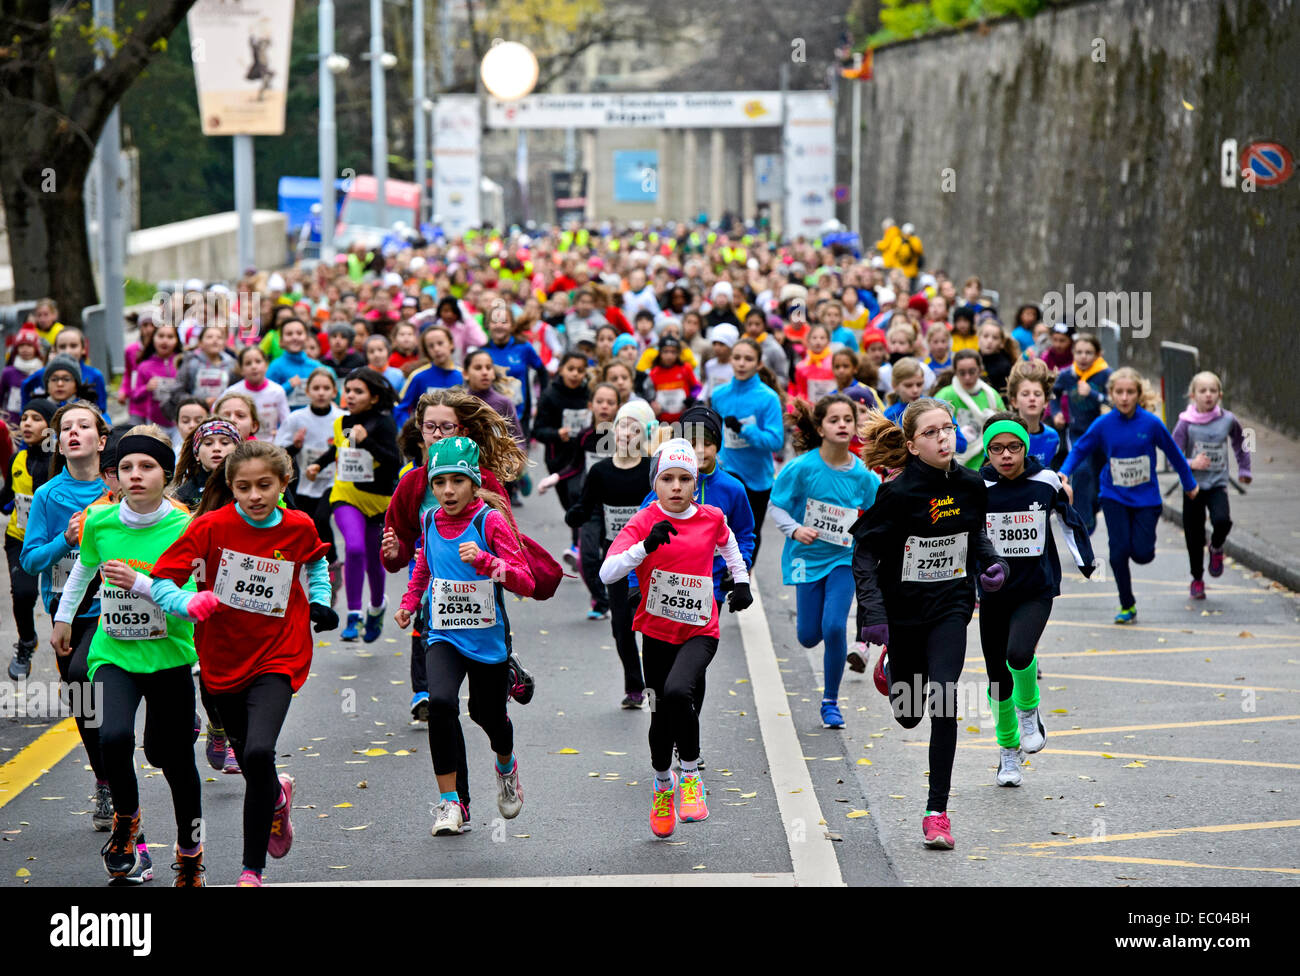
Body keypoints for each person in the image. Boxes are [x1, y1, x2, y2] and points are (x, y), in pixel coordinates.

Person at [122, 441, 336, 886]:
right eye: (244, 487)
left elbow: (316, 564)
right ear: (231, 487)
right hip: (222, 659)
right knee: (252, 761)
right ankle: (276, 795)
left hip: (280, 652)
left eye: (265, 486)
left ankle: (250, 872)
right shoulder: (211, 526)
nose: (255, 496)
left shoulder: (297, 526)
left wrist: (319, 601)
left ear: (283, 483)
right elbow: (161, 580)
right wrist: (187, 601)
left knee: (259, 752)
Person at [851, 399, 1009, 850]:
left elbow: (975, 532)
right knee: (907, 714)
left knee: (943, 700)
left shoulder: (971, 484)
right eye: (932, 432)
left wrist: (992, 563)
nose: (944, 438)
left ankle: (936, 812)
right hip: (902, 613)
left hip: (951, 607)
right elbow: (863, 553)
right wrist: (875, 615)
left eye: (949, 428)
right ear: (912, 445)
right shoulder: (898, 494)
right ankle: (891, 666)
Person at [52, 426, 206, 885]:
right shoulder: (99, 521)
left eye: (147, 467)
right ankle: (128, 823)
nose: (135, 476)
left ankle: (190, 852)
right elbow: (84, 568)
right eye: (125, 468)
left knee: (173, 759)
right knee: (114, 737)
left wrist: (145, 586)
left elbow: (192, 599)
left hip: (169, 656)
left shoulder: (186, 527)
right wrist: (64, 618)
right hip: (113, 652)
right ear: (114, 476)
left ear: (166, 475)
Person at [599, 439, 753, 838]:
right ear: (656, 482)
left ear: (695, 482)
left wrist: (741, 581)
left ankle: (690, 775)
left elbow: (730, 546)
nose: (676, 486)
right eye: (667, 478)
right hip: (656, 631)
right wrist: (644, 547)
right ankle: (662, 784)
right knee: (661, 713)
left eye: (685, 479)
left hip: (701, 629)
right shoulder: (644, 519)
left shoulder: (711, 516)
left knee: (679, 691)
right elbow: (607, 573)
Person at [394, 436, 534, 836]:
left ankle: (506, 766)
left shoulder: (489, 521)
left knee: (486, 714)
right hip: (442, 633)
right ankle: (451, 803)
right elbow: (425, 564)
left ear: (474, 483)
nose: (448, 491)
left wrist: (488, 561)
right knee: (440, 703)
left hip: (487, 639)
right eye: (439, 483)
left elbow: (524, 580)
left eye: (457, 481)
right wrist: (409, 601)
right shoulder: (428, 520)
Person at [979, 413, 1094, 787]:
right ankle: (1008, 754)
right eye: (997, 449)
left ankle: (1029, 710)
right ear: (988, 452)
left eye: (1013, 447)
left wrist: (1086, 561)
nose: (1006, 455)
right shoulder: (977, 485)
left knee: (1018, 654)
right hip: (993, 594)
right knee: (997, 679)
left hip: (1035, 590)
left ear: (1024, 448)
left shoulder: (1045, 481)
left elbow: (1069, 518)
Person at [21, 400, 112, 828]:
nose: (73, 433)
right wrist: (66, 537)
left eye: (83, 426)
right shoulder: (46, 495)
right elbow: (30, 560)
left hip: (111, 608)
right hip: (65, 610)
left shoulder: (116, 489)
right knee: (80, 695)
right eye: (66, 428)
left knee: (81, 675)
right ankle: (105, 779)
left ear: (102, 439)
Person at [770, 395, 879, 729]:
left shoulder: (863, 475)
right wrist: (795, 529)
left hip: (843, 559)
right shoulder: (802, 468)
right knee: (807, 636)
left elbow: (879, 513)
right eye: (834, 420)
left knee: (834, 626)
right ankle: (818, 654)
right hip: (806, 557)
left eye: (848, 419)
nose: (843, 424)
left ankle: (830, 701)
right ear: (819, 428)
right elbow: (777, 506)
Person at [1059, 368, 1198, 623]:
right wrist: (1065, 471)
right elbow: (1080, 448)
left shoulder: (1151, 423)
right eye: (1119, 392)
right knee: (1118, 552)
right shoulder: (1103, 424)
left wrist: (1189, 483)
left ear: (1138, 394)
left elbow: (1174, 454)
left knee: (1143, 554)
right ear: (1111, 394)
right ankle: (1127, 604)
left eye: (1130, 392)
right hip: (1114, 496)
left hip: (1146, 498)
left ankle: (1141, 553)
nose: (1124, 398)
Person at [566, 400, 657, 706]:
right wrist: (576, 515)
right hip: (616, 559)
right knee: (621, 626)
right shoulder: (601, 471)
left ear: (644, 434)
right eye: (621, 426)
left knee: (652, 624)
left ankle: (657, 682)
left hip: (651, 561)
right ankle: (634, 685)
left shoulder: (651, 471)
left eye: (634, 428)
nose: (625, 433)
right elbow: (587, 504)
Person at [305, 368, 400, 642]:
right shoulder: (343, 421)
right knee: (355, 548)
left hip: (378, 499)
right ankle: (354, 615)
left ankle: (377, 606)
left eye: (359, 391)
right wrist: (318, 464)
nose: (351, 395)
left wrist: (367, 440)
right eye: (348, 390)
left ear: (373, 397)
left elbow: (393, 462)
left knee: (374, 559)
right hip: (346, 493)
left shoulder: (384, 423)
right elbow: (339, 449)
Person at [1171, 371, 1251, 600]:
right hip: (1192, 486)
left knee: (1222, 521)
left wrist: (1244, 469)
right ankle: (1197, 579)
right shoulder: (1185, 423)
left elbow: (1240, 443)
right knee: (1194, 536)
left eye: (1213, 391)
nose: (1208, 395)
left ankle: (1216, 547)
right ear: (1193, 395)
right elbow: (1172, 455)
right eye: (1202, 391)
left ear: (1220, 395)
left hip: (1217, 484)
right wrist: (1191, 462)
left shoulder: (1227, 419)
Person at [710, 338, 785, 563]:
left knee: (749, 533)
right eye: (737, 358)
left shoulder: (768, 397)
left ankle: (744, 577)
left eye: (748, 359)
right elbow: (715, 433)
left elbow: (775, 440)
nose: (742, 363)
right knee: (719, 529)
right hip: (725, 470)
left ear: (759, 364)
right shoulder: (719, 394)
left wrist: (744, 430)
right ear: (730, 360)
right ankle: (721, 577)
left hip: (756, 479)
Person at [2, 397, 55, 680]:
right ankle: (25, 642)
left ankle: (70, 660)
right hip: (19, 538)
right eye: (24, 418)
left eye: (36, 418)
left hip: (57, 543)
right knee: (23, 593)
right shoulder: (16, 459)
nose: (27, 424)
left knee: (61, 600)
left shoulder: (62, 461)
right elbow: (7, 496)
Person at [274, 369, 344, 581]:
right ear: (307, 391)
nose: (321, 392)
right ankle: (305, 569)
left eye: (326, 388)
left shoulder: (343, 418)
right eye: (316, 388)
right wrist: (295, 446)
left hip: (334, 481)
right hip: (304, 483)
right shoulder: (297, 418)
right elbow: (278, 452)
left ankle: (333, 565)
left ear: (334, 391)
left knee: (322, 519)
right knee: (305, 525)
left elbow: (353, 449)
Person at [533, 352, 593, 567]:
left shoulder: (589, 394)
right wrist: (557, 433)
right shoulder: (550, 395)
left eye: (580, 370)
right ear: (561, 370)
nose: (575, 374)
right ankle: (580, 542)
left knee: (579, 499)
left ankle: (579, 547)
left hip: (584, 458)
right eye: (571, 369)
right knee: (570, 505)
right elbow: (537, 430)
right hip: (558, 460)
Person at [1051, 333, 1111, 534]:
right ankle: (1084, 521)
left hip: (1102, 434)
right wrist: (1057, 411)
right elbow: (1054, 393)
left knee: (1099, 475)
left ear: (1098, 354)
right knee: (1082, 470)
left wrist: (1093, 393)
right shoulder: (1068, 374)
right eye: (1079, 352)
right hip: (1077, 432)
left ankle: (1093, 507)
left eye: (1088, 353)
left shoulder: (1105, 374)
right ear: (1073, 353)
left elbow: (1113, 401)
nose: (1083, 357)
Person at [935, 350, 1004, 469]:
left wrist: (996, 420)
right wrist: (955, 434)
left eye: (972, 372)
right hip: (955, 463)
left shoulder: (991, 395)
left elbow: (1006, 425)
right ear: (955, 372)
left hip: (987, 461)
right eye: (962, 373)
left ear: (980, 370)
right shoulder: (944, 395)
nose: (967, 377)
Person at [395, 325, 463, 427]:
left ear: (451, 344)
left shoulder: (464, 376)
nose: (436, 349)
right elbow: (400, 408)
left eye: (440, 343)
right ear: (426, 350)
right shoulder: (418, 377)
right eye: (431, 346)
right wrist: (412, 430)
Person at [225, 346, 289, 440]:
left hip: (271, 446)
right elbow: (216, 412)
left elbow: (286, 422)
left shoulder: (277, 391)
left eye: (258, 361)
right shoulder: (233, 392)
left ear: (266, 365)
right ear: (241, 369)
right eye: (248, 363)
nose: (254, 367)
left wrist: (280, 433)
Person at [267, 318, 330, 411]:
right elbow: (266, 397)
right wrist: (287, 386)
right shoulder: (275, 367)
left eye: (299, 333)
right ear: (281, 341)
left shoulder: (316, 366)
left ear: (307, 339)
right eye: (289, 334)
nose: (295, 337)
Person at [1006, 358, 1060, 468]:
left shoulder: (1052, 437)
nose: (1032, 398)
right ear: (1014, 401)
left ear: (1046, 401)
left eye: (1037, 394)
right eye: (1025, 394)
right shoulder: (1003, 435)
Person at [647, 336, 699, 424]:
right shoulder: (653, 373)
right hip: (662, 423)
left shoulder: (685, 369)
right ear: (660, 352)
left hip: (685, 420)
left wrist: (692, 398)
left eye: (673, 352)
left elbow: (697, 388)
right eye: (666, 351)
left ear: (678, 353)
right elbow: (650, 397)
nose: (669, 355)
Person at [883, 357, 926, 425]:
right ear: (894, 385)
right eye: (908, 385)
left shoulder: (937, 407)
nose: (915, 390)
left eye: (919, 384)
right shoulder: (889, 416)